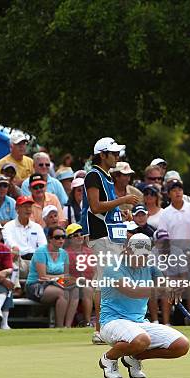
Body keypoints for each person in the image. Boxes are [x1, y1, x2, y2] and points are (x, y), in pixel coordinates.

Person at [97, 233, 190, 378]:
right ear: (127, 250)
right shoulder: (112, 268)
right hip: (112, 322)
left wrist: (172, 289)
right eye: (138, 255)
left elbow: (162, 284)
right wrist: (160, 289)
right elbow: (131, 291)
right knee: (142, 340)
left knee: (181, 345)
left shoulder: (151, 267)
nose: (142, 259)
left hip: (139, 323)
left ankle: (134, 357)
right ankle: (108, 359)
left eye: (145, 255)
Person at [81, 137, 136, 344]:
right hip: (101, 235)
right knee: (104, 281)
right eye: (113, 154)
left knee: (108, 280)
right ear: (102, 155)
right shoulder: (93, 175)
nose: (116, 157)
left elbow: (106, 208)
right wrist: (123, 200)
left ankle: (106, 326)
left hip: (111, 234)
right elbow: (95, 207)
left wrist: (121, 214)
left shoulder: (106, 177)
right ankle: (100, 329)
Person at [25, 226, 79, 327]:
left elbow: (66, 276)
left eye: (63, 237)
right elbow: (42, 276)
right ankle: (59, 327)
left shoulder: (64, 254)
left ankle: (68, 327)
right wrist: (61, 277)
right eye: (57, 237)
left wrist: (66, 279)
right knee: (62, 293)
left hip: (56, 283)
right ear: (50, 239)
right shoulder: (41, 251)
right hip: (36, 285)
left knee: (75, 291)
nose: (61, 240)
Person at [2, 196, 47, 281]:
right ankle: (16, 288)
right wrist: (15, 248)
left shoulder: (37, 227)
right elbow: (9, 242)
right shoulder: (8, 226)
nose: (28, 209)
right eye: (25, 207)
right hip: (19, 260)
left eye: (30, 207)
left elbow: (43, 246)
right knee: (13, 254)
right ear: (17, 208)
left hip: (35, 262)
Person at [64, 223, 95, 327]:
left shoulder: (90, 252)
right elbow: (66, 276)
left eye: (81, 234)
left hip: (91, 283)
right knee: (87, 289)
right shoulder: (65, 253)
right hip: (74, 284)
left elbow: (96, 271)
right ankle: (87, 322)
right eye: (75, 235)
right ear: (69, 238)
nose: (79, 237)